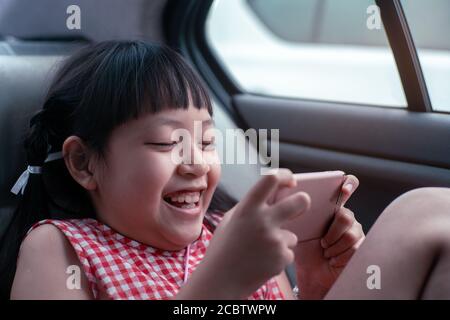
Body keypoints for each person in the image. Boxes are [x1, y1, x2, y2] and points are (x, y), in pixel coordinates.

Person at [0, 40, 447, 300]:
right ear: (83, 163)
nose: (196, 161)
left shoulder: (227, 231)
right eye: (167, 142)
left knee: (429, 209)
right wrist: (220, 283)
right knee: (420, 214)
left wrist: (313, 283)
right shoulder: (62, 248)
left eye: (208, 141)